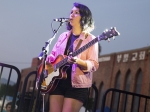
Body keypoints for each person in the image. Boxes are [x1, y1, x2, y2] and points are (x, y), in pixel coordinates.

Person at [46, 2, 99, 112]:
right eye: (71, 12)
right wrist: (49, 62)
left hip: (77, 85)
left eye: (76, 12)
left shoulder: (90, 39)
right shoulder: (63, 36)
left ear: (84, 17)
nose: (72, 14)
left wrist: (78, 61)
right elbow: (53, 55)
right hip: (57, 82)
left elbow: (94, 64)